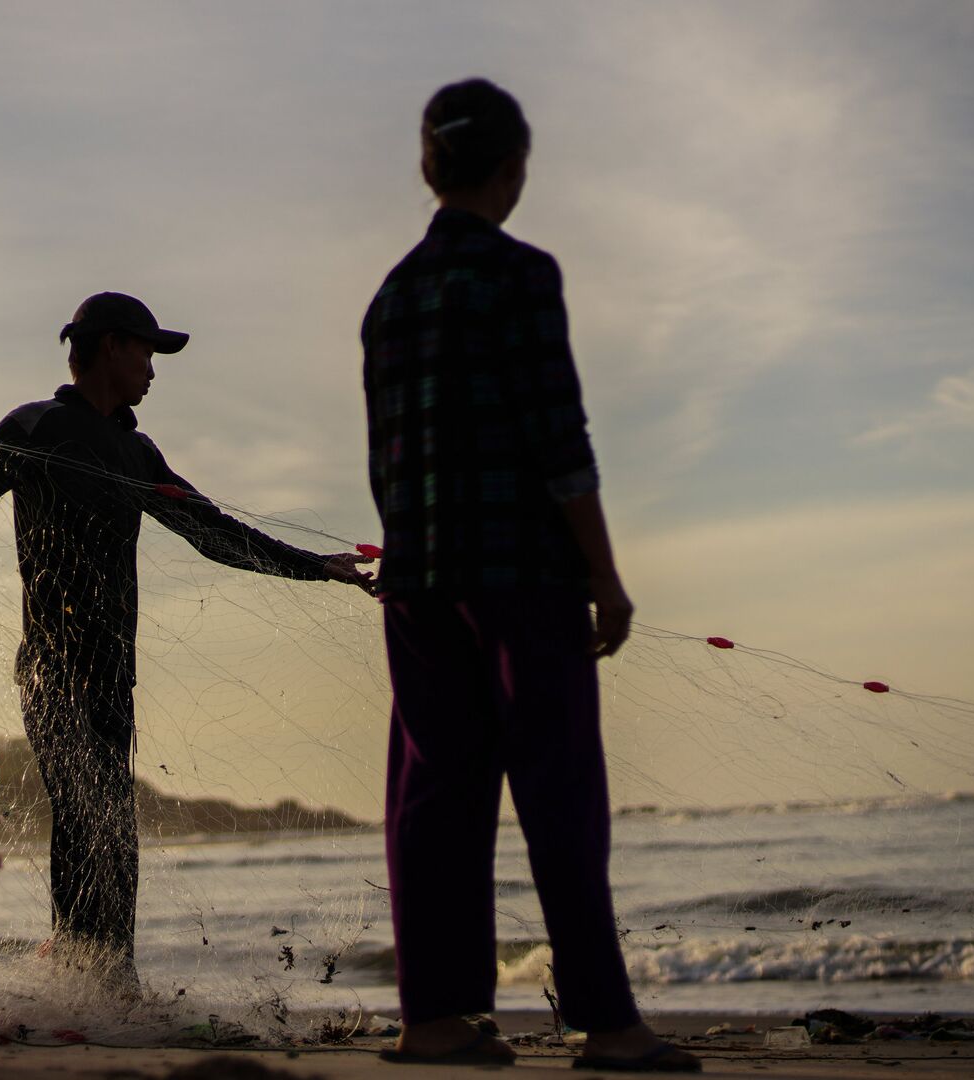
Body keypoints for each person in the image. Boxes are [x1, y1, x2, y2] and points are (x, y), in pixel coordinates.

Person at [0, 292, 374, 990]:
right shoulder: (34, 427)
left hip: (111, 671)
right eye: (147, 352)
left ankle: (106, 976)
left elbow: (212, 532)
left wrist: (316, 567)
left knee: (111, 825)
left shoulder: (135, 449)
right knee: (85, 813)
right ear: (109, 348)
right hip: (49, 668)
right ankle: (86, 974)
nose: (153, 370)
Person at [361, 79, 700, 1071]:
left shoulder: (389, 298)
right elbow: (560, 436)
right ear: (514, 169)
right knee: (558, 790)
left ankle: (434, 1019)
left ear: (430, 166)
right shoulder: (522, 276)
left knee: (435, 799)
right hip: (519, 574)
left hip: (418, 581)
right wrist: (605, 573)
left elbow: (387, 460)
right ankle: (604, 1023)